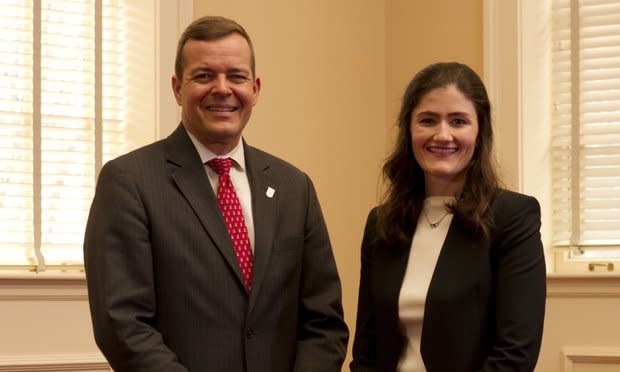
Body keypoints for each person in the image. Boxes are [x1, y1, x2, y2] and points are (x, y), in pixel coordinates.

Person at [84, 15, 348, 372]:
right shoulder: (129, 181)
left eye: (236, 76)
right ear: (177, 88)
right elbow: (123, 324)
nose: (222, 89)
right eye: (204, 75)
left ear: (255, 88)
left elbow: (324, 321)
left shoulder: (294, 187)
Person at [350, 62, 546, 371]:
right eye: (428, 120)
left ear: (479, 132)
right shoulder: (381, 223)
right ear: (409, 130)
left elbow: (515, 355)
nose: (443, 135)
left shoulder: (513, 218)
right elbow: (366, 352)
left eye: (458, 121)